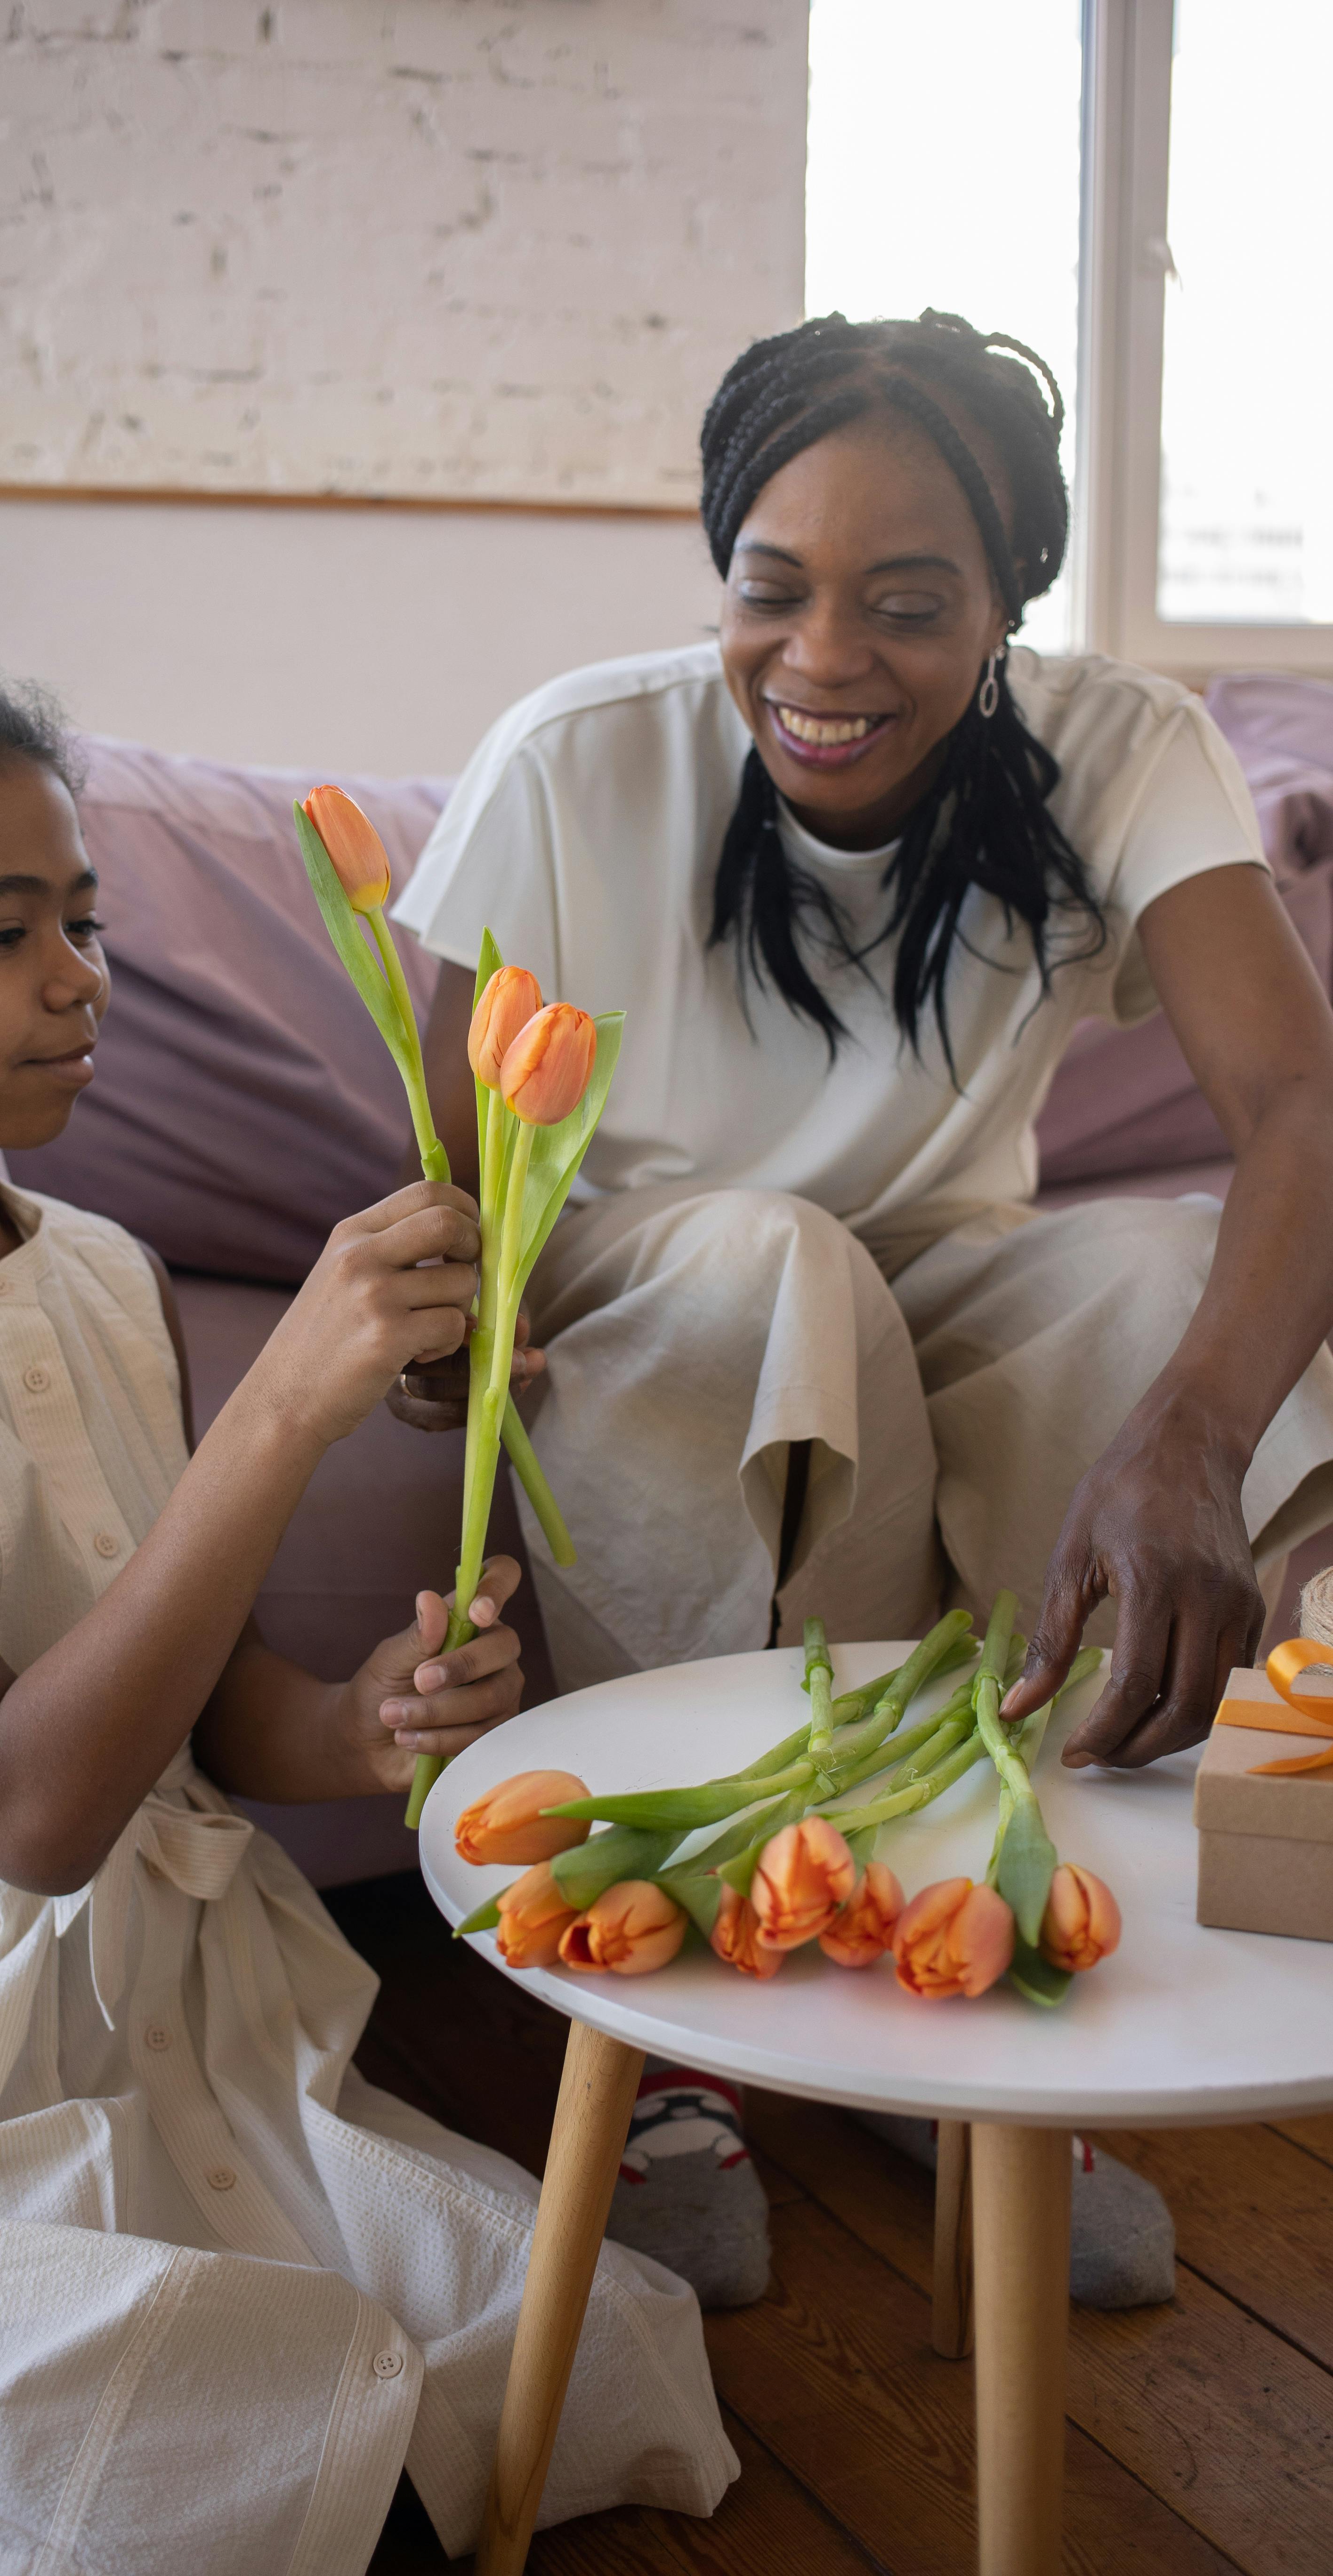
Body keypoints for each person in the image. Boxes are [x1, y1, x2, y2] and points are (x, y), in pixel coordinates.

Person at [0, 586, 735, 2575]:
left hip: (213, 2015)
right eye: (0, 931)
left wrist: (369, 1725)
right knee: (192, 2442)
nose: (77, 980)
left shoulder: (105, 1272)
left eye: (86, 919)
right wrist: (283, 1410)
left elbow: (200, 1722)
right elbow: (28, 1805)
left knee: (518, 2364)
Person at [393, 310, 1333, 2310]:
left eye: (909, 604)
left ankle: (968, 1924)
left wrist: (1194, 1430)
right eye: (773, 590)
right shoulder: (572, 762)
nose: (824, 662)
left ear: (1008, 606)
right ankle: (671, 2005)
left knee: (1169, 1275)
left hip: (941, 1275)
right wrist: (439, 1342)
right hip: (666, 1288)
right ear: (720, 574)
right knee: (774, 1265)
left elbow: (1302, 1101)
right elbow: (447, 1173)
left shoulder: (1124, 746)